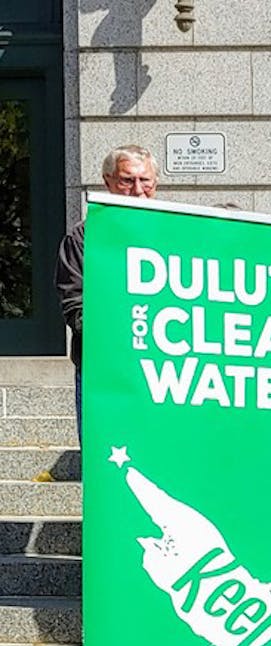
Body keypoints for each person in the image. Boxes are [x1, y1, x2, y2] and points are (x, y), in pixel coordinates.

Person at [55, 144, 159, 438]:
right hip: (106, 372)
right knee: (105, 462)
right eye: (127, 180)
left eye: (145, 180)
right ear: (108, 182)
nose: (137, 189)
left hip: (167, 374)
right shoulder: (83, 238)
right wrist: (123, 339)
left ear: (156, 183)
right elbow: (75, 304)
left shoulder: (177, 234)